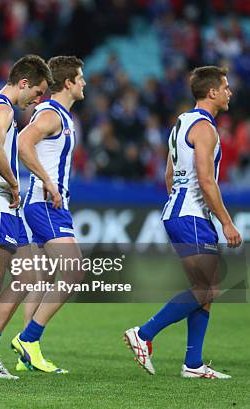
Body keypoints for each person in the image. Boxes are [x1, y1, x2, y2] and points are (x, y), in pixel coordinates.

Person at [124, 66, 242, 379]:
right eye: (225, 87)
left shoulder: (181, 123)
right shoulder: (205, 128)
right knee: (206, 288)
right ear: (213, 92)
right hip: (190, 214)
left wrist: (179, 206)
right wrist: (227, 223)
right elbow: (206, 180)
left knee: (205, 287)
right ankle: (145, 333)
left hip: (179, 212)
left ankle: (193, 364)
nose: (229, 92)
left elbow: (168, 174)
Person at [0, 55, 50, 379]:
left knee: (29, 275)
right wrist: (14, 183)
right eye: (38, 92)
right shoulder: (2, 108)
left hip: (4, 206)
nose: (38, 100)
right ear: (24, 83)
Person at [8, 56, 87, 374]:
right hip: (45, 205)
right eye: (80, 78)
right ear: (68, 83)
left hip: (45, 204)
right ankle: (29, 338)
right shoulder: (52, 114)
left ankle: (28, 356)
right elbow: (23, 143)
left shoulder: (62, 116)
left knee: (41, 279)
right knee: (74, 272)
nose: (84, 83)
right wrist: (47, 181)